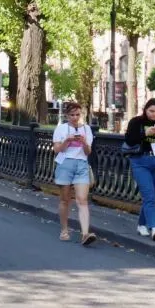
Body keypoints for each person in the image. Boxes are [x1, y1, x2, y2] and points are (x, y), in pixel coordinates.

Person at [125, 98, 155, 240]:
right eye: (151, 111)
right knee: (149, 195)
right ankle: (154, 227)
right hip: (140, 161)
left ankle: (141, 224)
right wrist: (146, 133)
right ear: (145, 109)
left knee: (154, 193)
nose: (154, 114)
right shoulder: (137, 122)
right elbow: (129, 140)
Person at [52, 102, 96, 246]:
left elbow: (88, 152)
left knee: (82, 199)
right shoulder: (61, 129)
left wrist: (83, 142)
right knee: (65, 199)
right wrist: (67, 141)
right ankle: (64, 230)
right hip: (65, 163)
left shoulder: (86, 129)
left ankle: (85, 233)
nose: (75, 118)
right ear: (67, 115)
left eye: (78, 114)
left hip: (81, 164)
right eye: (72, 115)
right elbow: (57, 149)